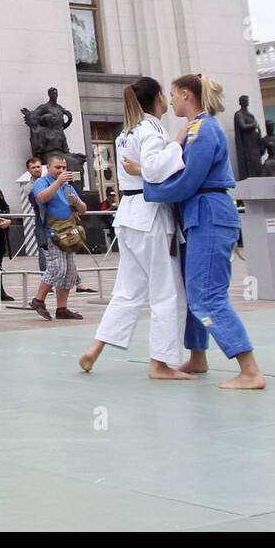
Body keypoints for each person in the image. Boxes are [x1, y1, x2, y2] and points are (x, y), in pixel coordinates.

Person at [128, 73, 266, 390]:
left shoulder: (203, 131)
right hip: (199, 215)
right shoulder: (194, 130)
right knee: (194, 293)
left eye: (174, 94)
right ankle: (198, 354)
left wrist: (145, 184)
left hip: (209, 214)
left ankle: (249, 369)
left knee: (207, 296)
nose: (171, 100)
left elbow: (188, 180)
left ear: (187, 95)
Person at [79, 76, 189, 379]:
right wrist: (177, 144)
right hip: (149, 214)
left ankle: (95, 348)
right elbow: (154, 170)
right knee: (167, 291)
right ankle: (161, 363)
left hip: (127, 215)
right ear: (157, 99)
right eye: (165, 94)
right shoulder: (152, 129)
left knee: (127, 290)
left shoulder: (126, 132)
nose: (168, 99)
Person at [28, 153, 86, 321]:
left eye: (64, 168)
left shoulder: (67, 186)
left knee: (69, 272)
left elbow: (83, 209)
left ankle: (62, 308)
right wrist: (58, 182)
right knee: (57, 268)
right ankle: (38, 300)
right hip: (52, 232)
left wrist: (75, 201)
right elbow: (41, 197)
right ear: (49, 168)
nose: (61, 170)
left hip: (69, 233)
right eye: (58, 167)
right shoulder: (41, 182)